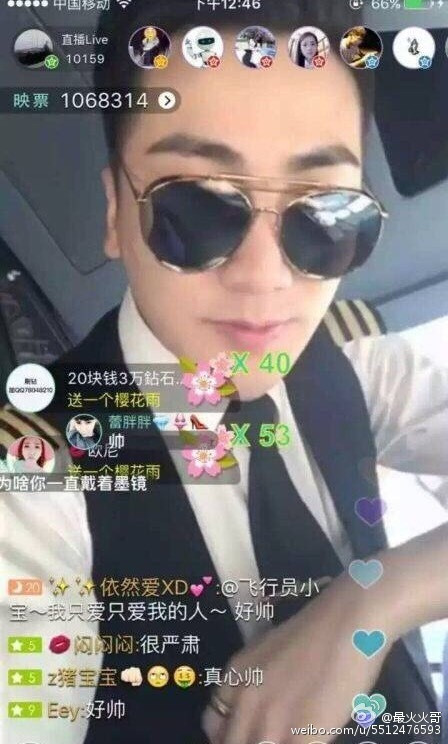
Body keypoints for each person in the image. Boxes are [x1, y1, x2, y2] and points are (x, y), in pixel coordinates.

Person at [1, 1, 447, 744]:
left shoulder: (357, 358)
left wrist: (376, 600)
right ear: (114, 213)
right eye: (196, 210)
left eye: (325, 211)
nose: (264, 278)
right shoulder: (33, 480)